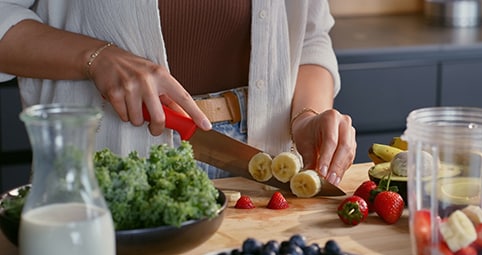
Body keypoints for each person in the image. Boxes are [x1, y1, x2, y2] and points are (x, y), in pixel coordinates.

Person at [0, 1, 356, 186]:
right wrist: (96, 58)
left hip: (262, 161)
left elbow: (310, 35)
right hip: (111, 156)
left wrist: (306, 115)